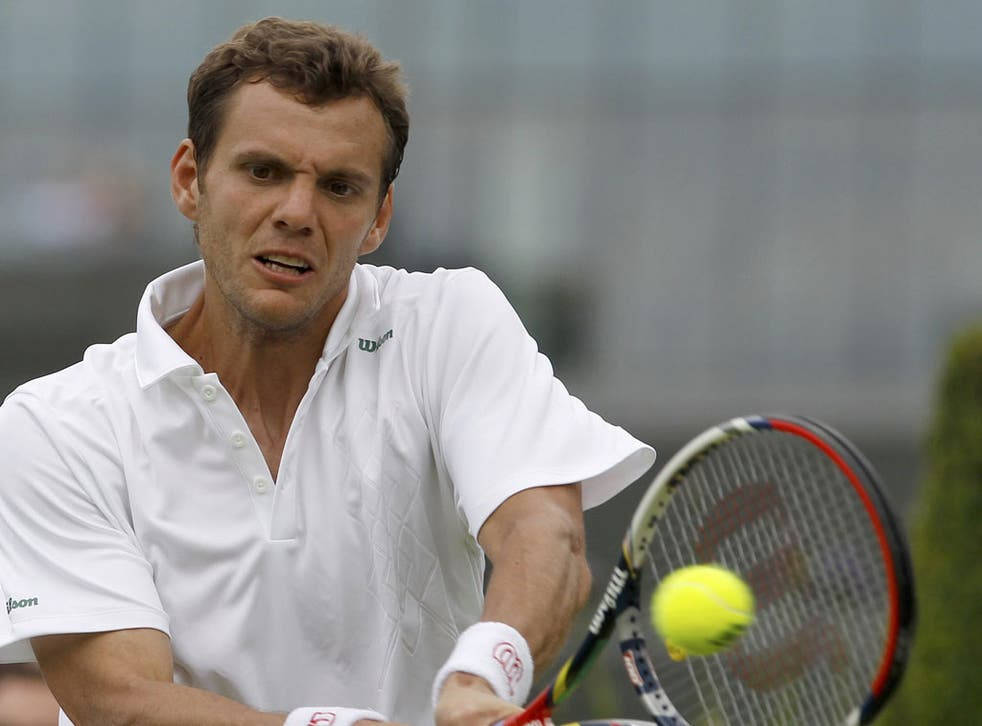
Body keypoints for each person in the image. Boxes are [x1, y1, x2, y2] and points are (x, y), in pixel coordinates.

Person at [0, 17, 654, 726]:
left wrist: (482, 667)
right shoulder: (56, 424)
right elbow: (119, 701)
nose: (297, 212)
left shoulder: (450, 321)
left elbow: (545, 536)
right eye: (263, 172)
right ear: (191, 181)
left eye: (339, 188)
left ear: (378, 219)